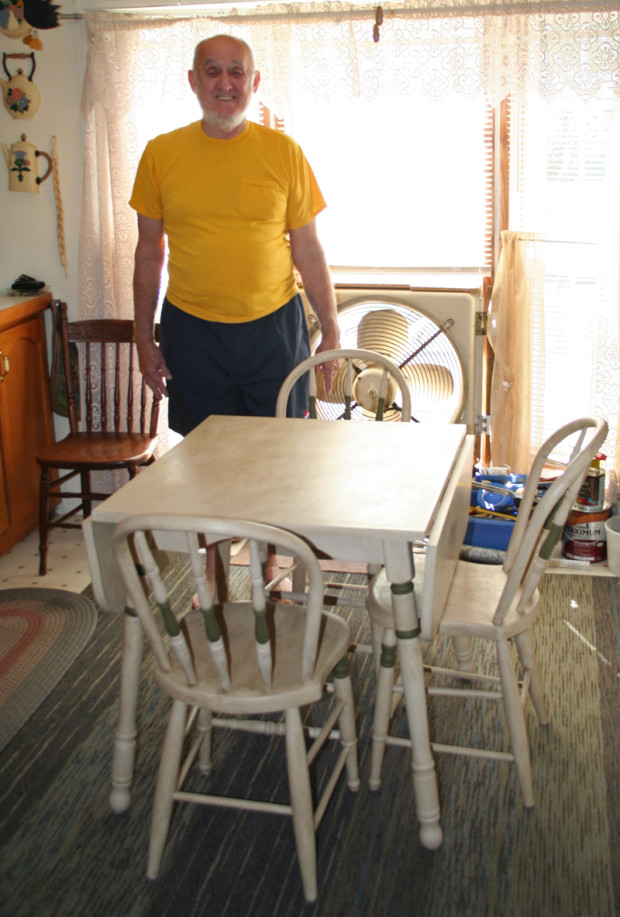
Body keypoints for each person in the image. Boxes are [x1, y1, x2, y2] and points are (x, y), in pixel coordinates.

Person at [130, 33, 341, 590]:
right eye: (213, 72)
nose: (225, 83)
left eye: (236, 73)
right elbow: (149, 251)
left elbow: (309, 249)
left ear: (253, 83)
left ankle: (271, 576)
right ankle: (217, 585)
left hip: (275, 330)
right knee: (209, 471)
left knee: (278, 465)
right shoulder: (160, 153)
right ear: (194, 80)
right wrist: (143, 338)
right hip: (192, 331)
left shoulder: (284, 153)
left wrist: (332, 331)